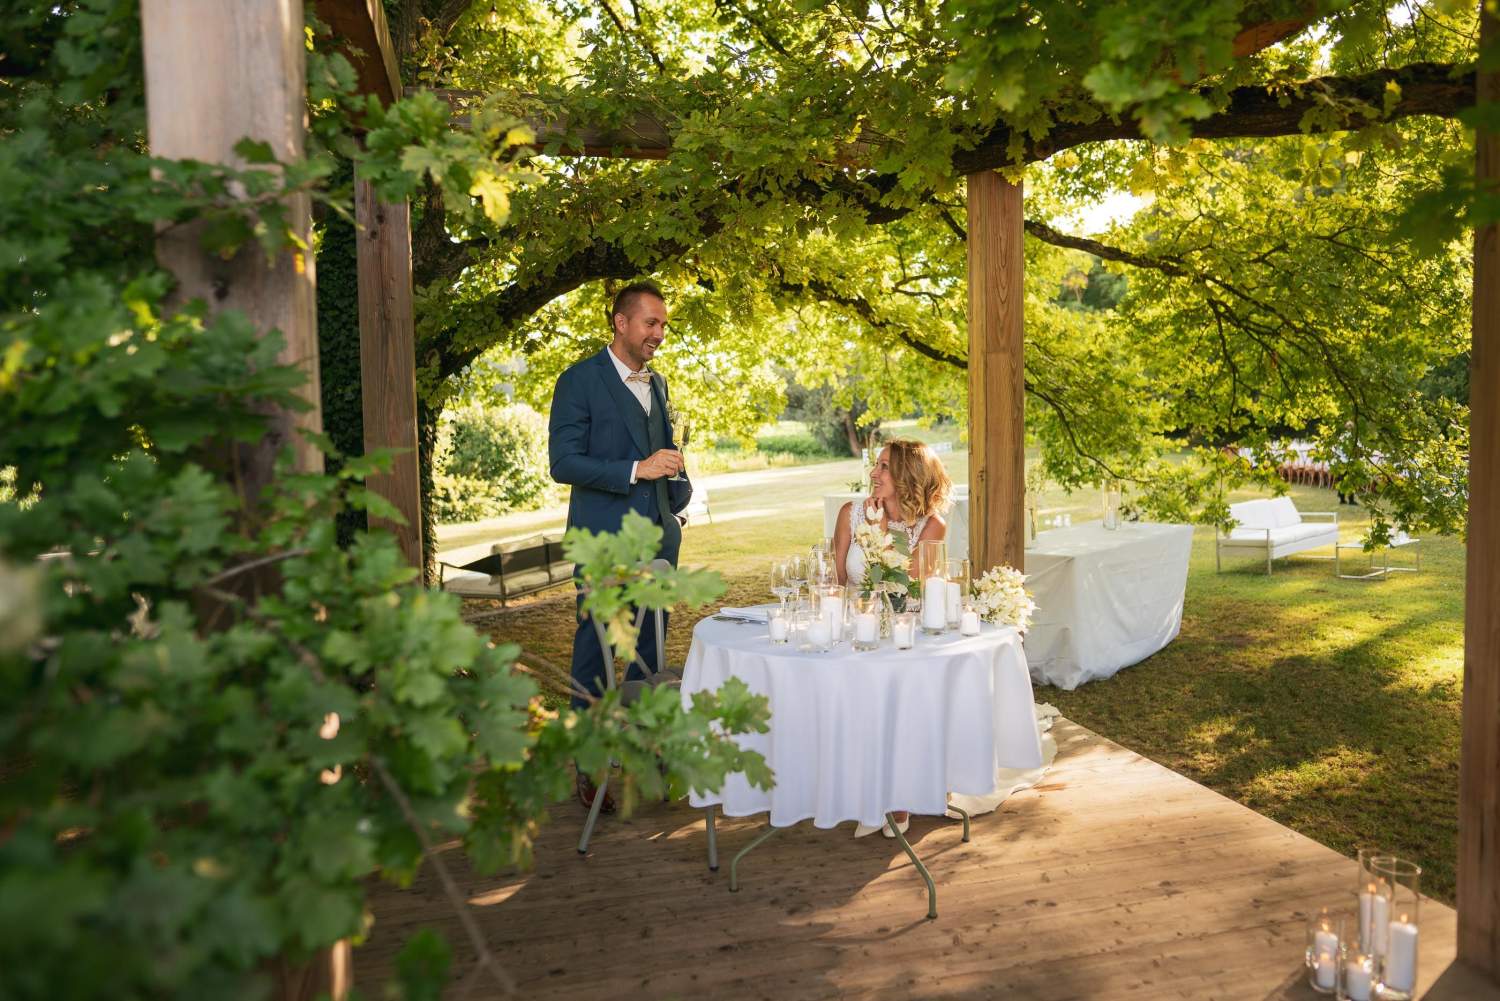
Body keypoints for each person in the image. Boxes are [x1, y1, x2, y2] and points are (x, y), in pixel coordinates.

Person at [548, 280, 692, 813]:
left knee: (651, 648)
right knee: (597, 648)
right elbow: (563, 463)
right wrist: (637, 469)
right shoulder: (579, 381)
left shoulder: (658, 384)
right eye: (651, 322)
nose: (659, 333)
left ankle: (645, 751)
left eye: (663, 324)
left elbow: (661, 452)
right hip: (604, 542)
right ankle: (588, 765)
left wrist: (675, 484)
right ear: (621, 322)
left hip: (658, 538)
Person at [829, 438, 953, 838]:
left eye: (884, 466)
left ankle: (898, 797)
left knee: (898, 701)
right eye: (876, 465)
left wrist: (883, 532)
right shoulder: (850, 513)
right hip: (855, 627)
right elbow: (836, 581)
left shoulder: (932, 525)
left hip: (905, 630)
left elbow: (903, 587)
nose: (874, 473)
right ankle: (861, 791)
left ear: (907, 476)